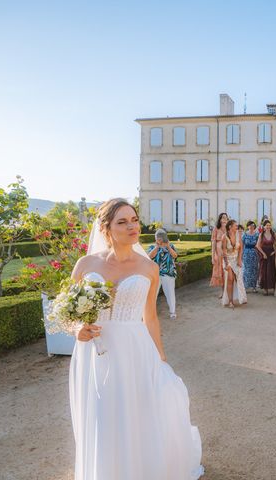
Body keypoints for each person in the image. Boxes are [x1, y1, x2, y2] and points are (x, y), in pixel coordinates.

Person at [70, 198, 203, 480]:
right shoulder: (85, 264)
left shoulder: (148, 268)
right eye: (122, 222)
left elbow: (150, 317)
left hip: (135, 348)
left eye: (134, 220)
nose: (132, 226)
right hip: (97, 349)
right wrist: (76, 330)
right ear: (106, 229)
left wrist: (161, 357)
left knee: (140, 413)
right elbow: (68, 310)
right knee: (104, 414)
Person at [147, 229, 178, 319]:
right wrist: (157, 247)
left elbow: (175, 256)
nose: (159, 239)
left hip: (168, 273)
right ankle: (151, 312)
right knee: (153, 294)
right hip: (155, 274)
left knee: (170, 293)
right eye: (157, 237)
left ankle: (172, 312)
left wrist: (168, 246)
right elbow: (149, 257)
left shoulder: (171, 246)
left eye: (161, 237)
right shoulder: (152, 247)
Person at [221, 219, 247, 308]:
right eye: (235, 226)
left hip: (236, 260)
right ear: (230, 227)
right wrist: (226, 264)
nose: (237, 227)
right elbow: (223, 252)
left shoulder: (238, 235)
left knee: (238, 279)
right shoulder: (224, 237)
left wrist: (239, 260)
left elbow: (241, 248)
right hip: (227, 261)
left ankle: (241, 297)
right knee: (230, 279)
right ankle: (230, 301)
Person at [256, 219, 276, 295]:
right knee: (264, 271)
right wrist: (263, 254)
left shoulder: (273, 234)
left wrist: (274, 252)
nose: (268, 227)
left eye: (269, 225)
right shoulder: (261, 234)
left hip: (271, 254)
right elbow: (257, 246)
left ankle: (274, 288)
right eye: (266, 225)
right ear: (264, 226)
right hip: (264, 255)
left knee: (272, 271)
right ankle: (265, 289)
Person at [210, 212, 228, 297]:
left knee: (228, 272)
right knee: (221, 273)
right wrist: (213, 256)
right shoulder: (216, 229)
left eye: (226, 217)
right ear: (220, 219)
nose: (224, 219)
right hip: (219, 254)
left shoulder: (229, 229)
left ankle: (228, 291)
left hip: (228, 254)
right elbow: (213, 243)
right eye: (223, 217)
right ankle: (223, 291)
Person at [242, 221, 260, 293]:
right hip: (246, 253)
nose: (251, 227)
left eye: (252, 225)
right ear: (247, 226)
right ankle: (245, 287)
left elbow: (259, 244)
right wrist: (241, 254)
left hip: (254, 253)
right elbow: (242, 244)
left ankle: (254, 287)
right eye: (250, 225)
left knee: (254, 270)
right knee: (246, 270)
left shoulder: (257, 234)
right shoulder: (244, 234)